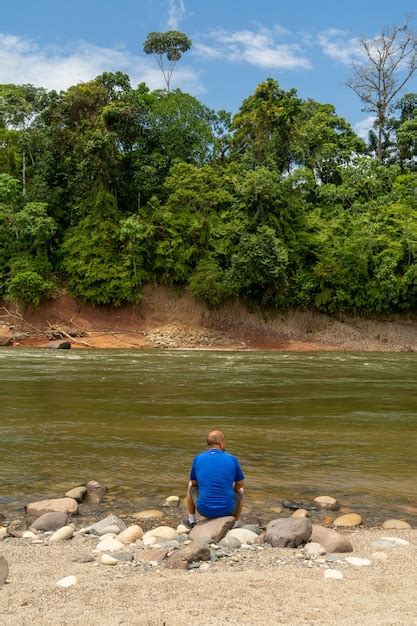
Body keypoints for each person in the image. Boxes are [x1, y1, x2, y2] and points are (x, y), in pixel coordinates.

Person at [183, 429, 245, 528]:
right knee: (241, 491)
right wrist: (230, 488)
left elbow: (194, 482)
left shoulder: (198, 458)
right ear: (221, 442)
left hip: (204, 510)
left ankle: (191, 519)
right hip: (227, 510)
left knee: (190, 484)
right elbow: (240, 485)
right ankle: (235, 524)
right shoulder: (232, 459)